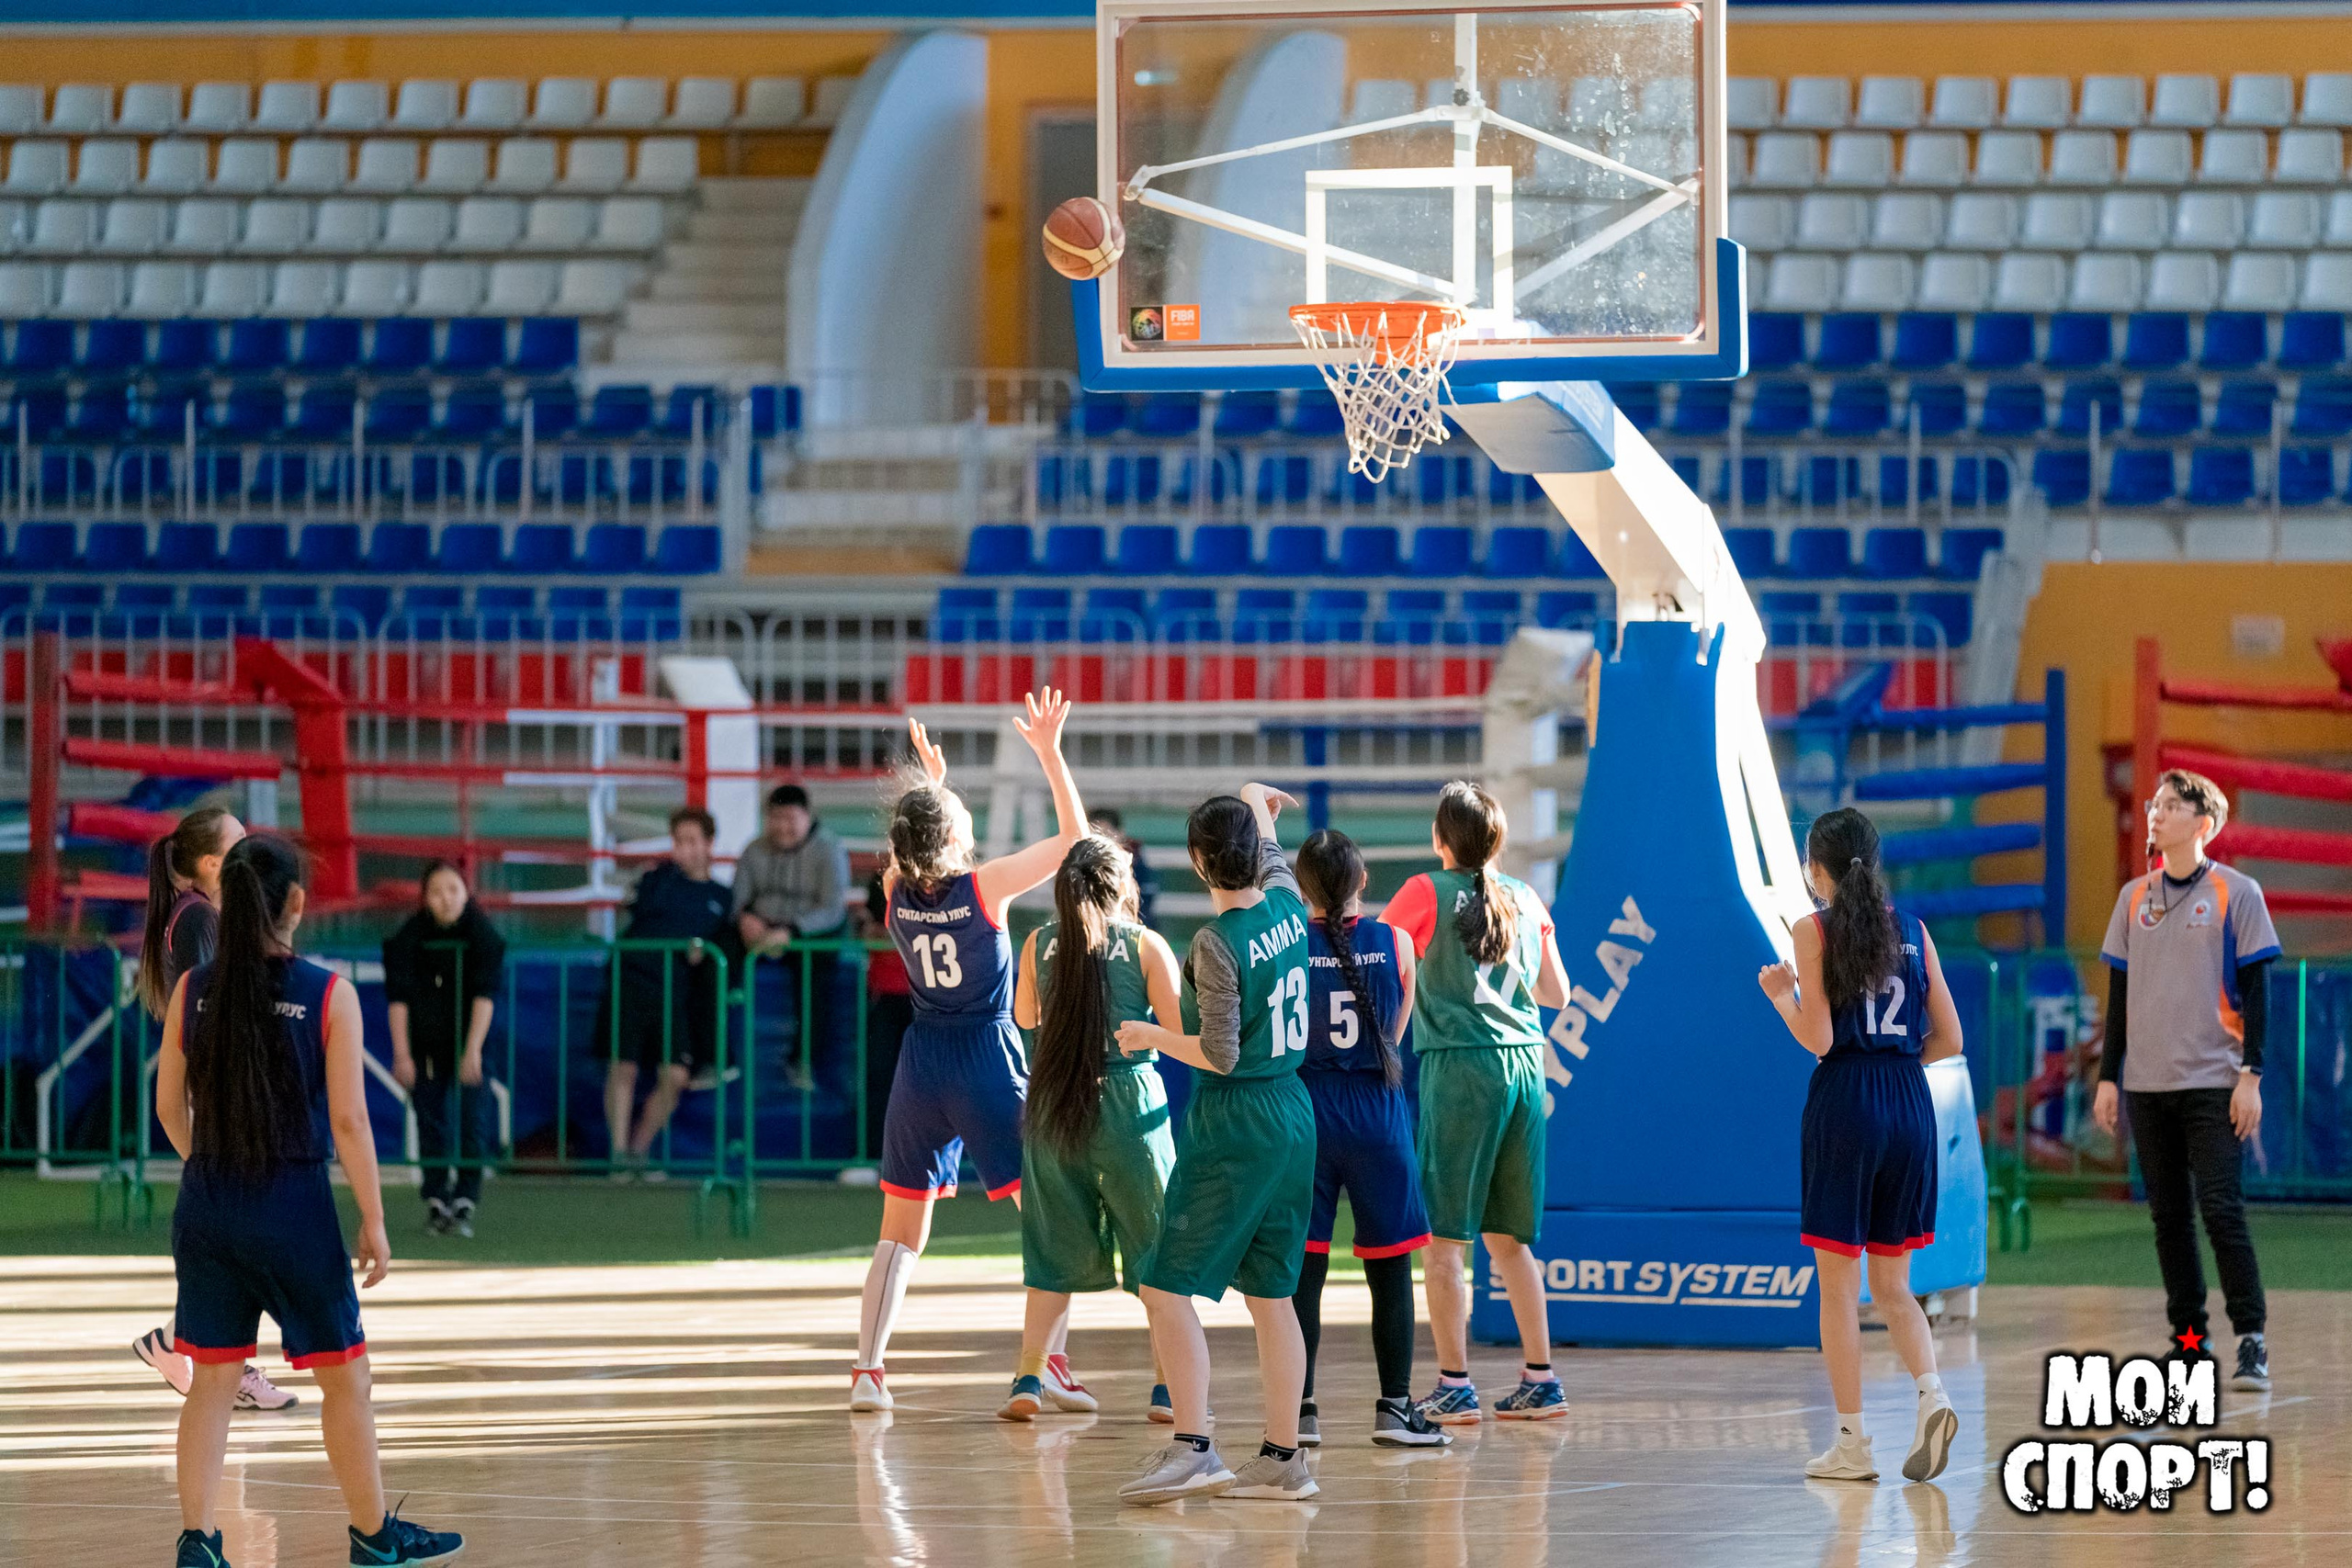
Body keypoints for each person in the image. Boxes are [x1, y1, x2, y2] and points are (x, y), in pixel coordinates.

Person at [154, 833, 463, 1568]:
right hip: (292, 1204)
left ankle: (199, 1543)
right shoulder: (328, 992)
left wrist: (212, 1170)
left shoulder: (193, 988)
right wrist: (377, 1218)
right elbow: (352, 1121)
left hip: (209, 1204)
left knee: (213, 1384)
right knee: (344, 1376)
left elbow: (169, 1107)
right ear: (296, 901)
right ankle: (373, 1536)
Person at [854, 689, 1087, 1413]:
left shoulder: (894, 889)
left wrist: (933, 787)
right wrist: (1049, 755)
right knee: (1050, 1213)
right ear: (956, 841)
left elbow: (914, 845)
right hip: (987, 1056)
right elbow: (1076, 844)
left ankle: (868, 1371)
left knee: (899, 1233)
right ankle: (1048, 1361)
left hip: (922, 1061)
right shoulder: (986, 889)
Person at [1114, 784, 1319, 1506]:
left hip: (1239, 1120)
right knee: (1273, 1296)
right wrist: (1261, 808)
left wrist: (1150, 1037)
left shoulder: (1213, 940)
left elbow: (1220, 1053)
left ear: (1199, 862)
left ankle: (1194, 1445)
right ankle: (1284, 1458)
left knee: (1163, 1285)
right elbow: (1279, 865)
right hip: (1295, 1114)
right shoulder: (1291, 910)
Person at [1758, 807, 1965, 1484]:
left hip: (1848, 1099)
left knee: (1839, 1289)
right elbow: (1952, 1039)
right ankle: (1932, 1392)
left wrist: (1783, 996)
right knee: (1894, 1284)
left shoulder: (1812, 930)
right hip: (1911, 1099)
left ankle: (1851, 1442)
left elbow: (1818, 1037)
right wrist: (1897, 1058)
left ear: (1817, 869)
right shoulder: (1914, 930)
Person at [1382, 780, 1573, 1425]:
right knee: (1510, 1238)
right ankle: (1541, 1377)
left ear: (1441, 838)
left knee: (1442, 1243)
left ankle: (1455, 1382)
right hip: (1524, 1064)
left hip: (1461, 1068)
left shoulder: (1423, 892)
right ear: (1498, 840)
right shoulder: (1523, 896)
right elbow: (1559, 993)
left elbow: (1377, 958)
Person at [2091, 769, 2281, 1393]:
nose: (2156, 813)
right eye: (2154, 804)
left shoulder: (2239, 892)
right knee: (2168, 1219)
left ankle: (2251, 1339)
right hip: (2147, 1086)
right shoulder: (2132, 898)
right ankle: (2190, 1346)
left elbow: (2258, 991)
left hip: (2214, 1081)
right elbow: (2118, 1000)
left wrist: (2250, 1076)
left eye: (2171, 805)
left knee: (2221, 1210)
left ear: (2203, 823)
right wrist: (2108, 1078)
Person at [998, 832, 1182, 1424]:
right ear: (1121, 886)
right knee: (1157, 1250)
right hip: (1129, 1102)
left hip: (1054, 1104)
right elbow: (1179, 1033)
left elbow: (1025, 1017)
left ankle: (1028, 1378)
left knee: (1051, 1250)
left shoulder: (1035, 944)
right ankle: (1166, 1388)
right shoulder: (1146, 944)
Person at [129, 807, 298, 1415]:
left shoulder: (203, 914)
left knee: (233, 1238)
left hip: (224, 1094)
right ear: (210, 862)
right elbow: (207, 1005)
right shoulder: (199, 915)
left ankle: (184, 1345)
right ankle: (190, 1346)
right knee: (242, 1237)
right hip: (218, 1096)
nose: (248, 843)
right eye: (236, 839)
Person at [1293, 828, 1451, 1450]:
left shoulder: (1289, 949)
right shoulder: (1397, 943)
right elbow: (1394, 1028)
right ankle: (1394, 1407)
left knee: (1303, 1270)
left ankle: (1301, 1411)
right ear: (1362, 881)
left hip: (1307, 1111)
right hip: (1377, 1112)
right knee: (1390, 1271)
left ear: (1305, 889)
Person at [600, 807, 734, 1176]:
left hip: (675, 993)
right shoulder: (654, 880)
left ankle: (640, 1152)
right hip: (631, 979)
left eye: (692, 841)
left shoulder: (722, 897)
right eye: (678, 841)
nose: (684, 849)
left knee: (675, 1076)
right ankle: (619, 1158)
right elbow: (634, 910)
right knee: (622, 1067)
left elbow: (720, 946)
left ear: (709, 844)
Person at [383, 863, 506, 1238]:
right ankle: (436, 1196)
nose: (446, 898)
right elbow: (398, 999)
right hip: (425, 1047)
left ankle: (467, 1196)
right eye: (437, 891)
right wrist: (402, 1055)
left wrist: (472, 1051)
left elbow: (485, 995)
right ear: (425, 897)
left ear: (467, 892)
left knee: (474, 1121)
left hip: (470, 1042)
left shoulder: (484, 936)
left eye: (454, 889)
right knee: (430, 1120)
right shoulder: (409, 937)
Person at [733, 784, 854, 1091]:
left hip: (807, 934)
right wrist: (746, 920)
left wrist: (792, 932)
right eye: (775, 818)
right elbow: (738, 900)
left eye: (790, 818)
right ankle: (717, 1055)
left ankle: (803, 1059)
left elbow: (832, 908)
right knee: (717, 956)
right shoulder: (754, 850)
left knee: (817, 973)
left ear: (807, 817)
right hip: (760, 929)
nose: (782, 827)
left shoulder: (829, 850)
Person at [1088, 806, 1159, 928]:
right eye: (1094, 835)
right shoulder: (1079, 865)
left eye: (1105, 834)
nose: (1100, 842)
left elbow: (1145, 904)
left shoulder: (1136, 863)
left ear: (1120, 833)